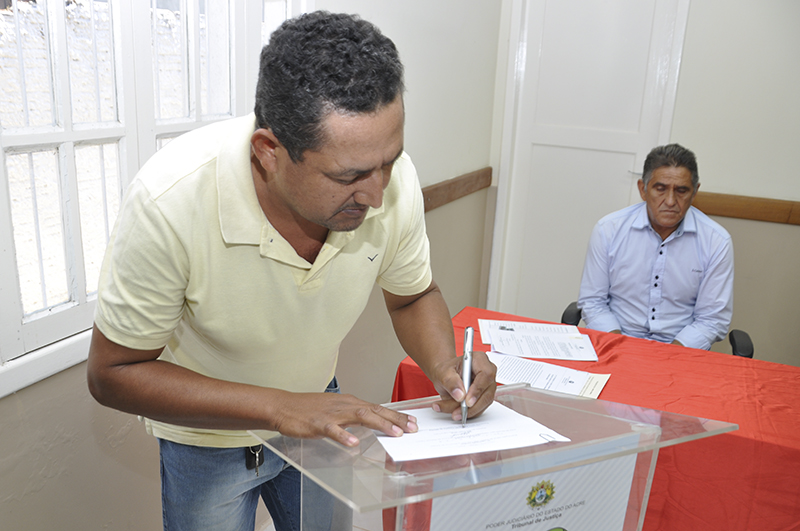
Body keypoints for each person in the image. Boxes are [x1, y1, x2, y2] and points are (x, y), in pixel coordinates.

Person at [86, 11, 496, 531]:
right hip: (207, 436)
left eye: (389, 161)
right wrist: (281, 408)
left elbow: (413, 295)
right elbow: (113, 372)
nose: (376, 194)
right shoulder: (169, 202)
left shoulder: (390, 182)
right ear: (269, 153)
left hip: (319, 413)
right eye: (348, 176)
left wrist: (445, 366)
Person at [577, 143, 733, 350]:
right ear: (643, 189)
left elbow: (711, 319)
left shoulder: (716, 241)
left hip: (680, 350)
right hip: (615, 343)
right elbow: (593, 302)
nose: (670, 201)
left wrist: (668, 356)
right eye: (660, 189)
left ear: (695, 192)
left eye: (681, 191)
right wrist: (620, 348)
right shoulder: (609, 230)